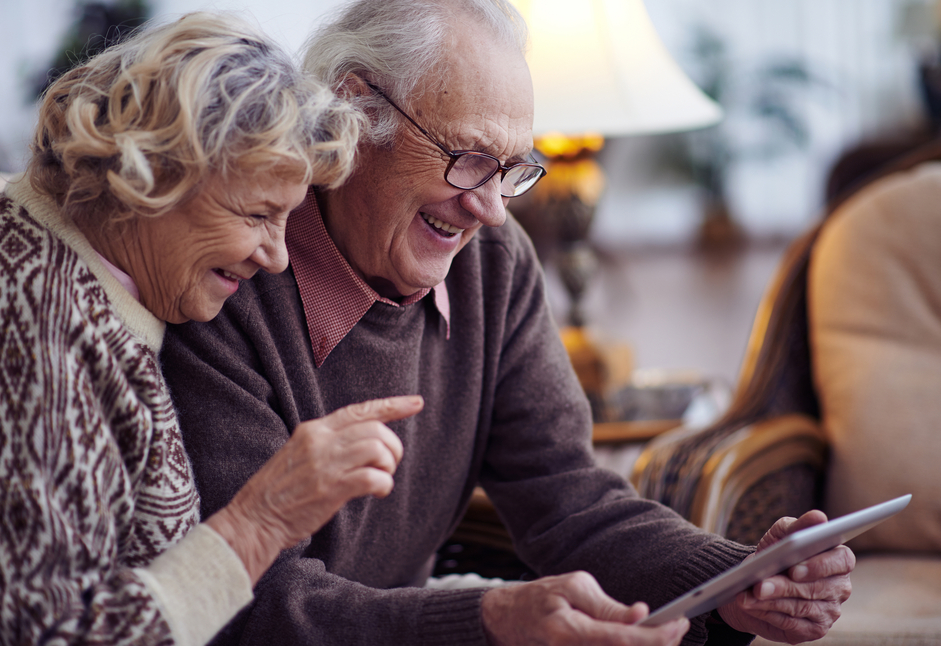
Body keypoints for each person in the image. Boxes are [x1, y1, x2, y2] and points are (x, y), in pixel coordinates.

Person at [161, 2, 855, 645]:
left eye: (513, 169)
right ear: (355, 110)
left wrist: (735, 579)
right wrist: (487, 622)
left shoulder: (491, 261)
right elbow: (249, 604)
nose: (490, 209)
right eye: (467, 159)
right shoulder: (225, 279)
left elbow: (570, 500)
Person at [0, 12, 423, 646]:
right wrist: (261, 522)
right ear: (153, 175)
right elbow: (37, 633)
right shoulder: (20, 313)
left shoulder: (92, 282)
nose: (275, 255)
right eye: (257, 214)